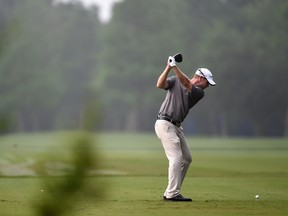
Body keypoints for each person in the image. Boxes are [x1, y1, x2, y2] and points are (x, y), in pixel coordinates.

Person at [154, 55, 216, 202]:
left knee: (187, 158)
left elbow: (186, 82)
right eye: (208, 82)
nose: (208, 86)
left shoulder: (199, 92)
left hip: (176, 127)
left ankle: (172, 190)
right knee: (176, 157)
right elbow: (159, 84)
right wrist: (168, 67)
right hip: (165, 124)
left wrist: (174, 66)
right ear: (201, 78)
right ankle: (172, 193)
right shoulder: (176, 80)